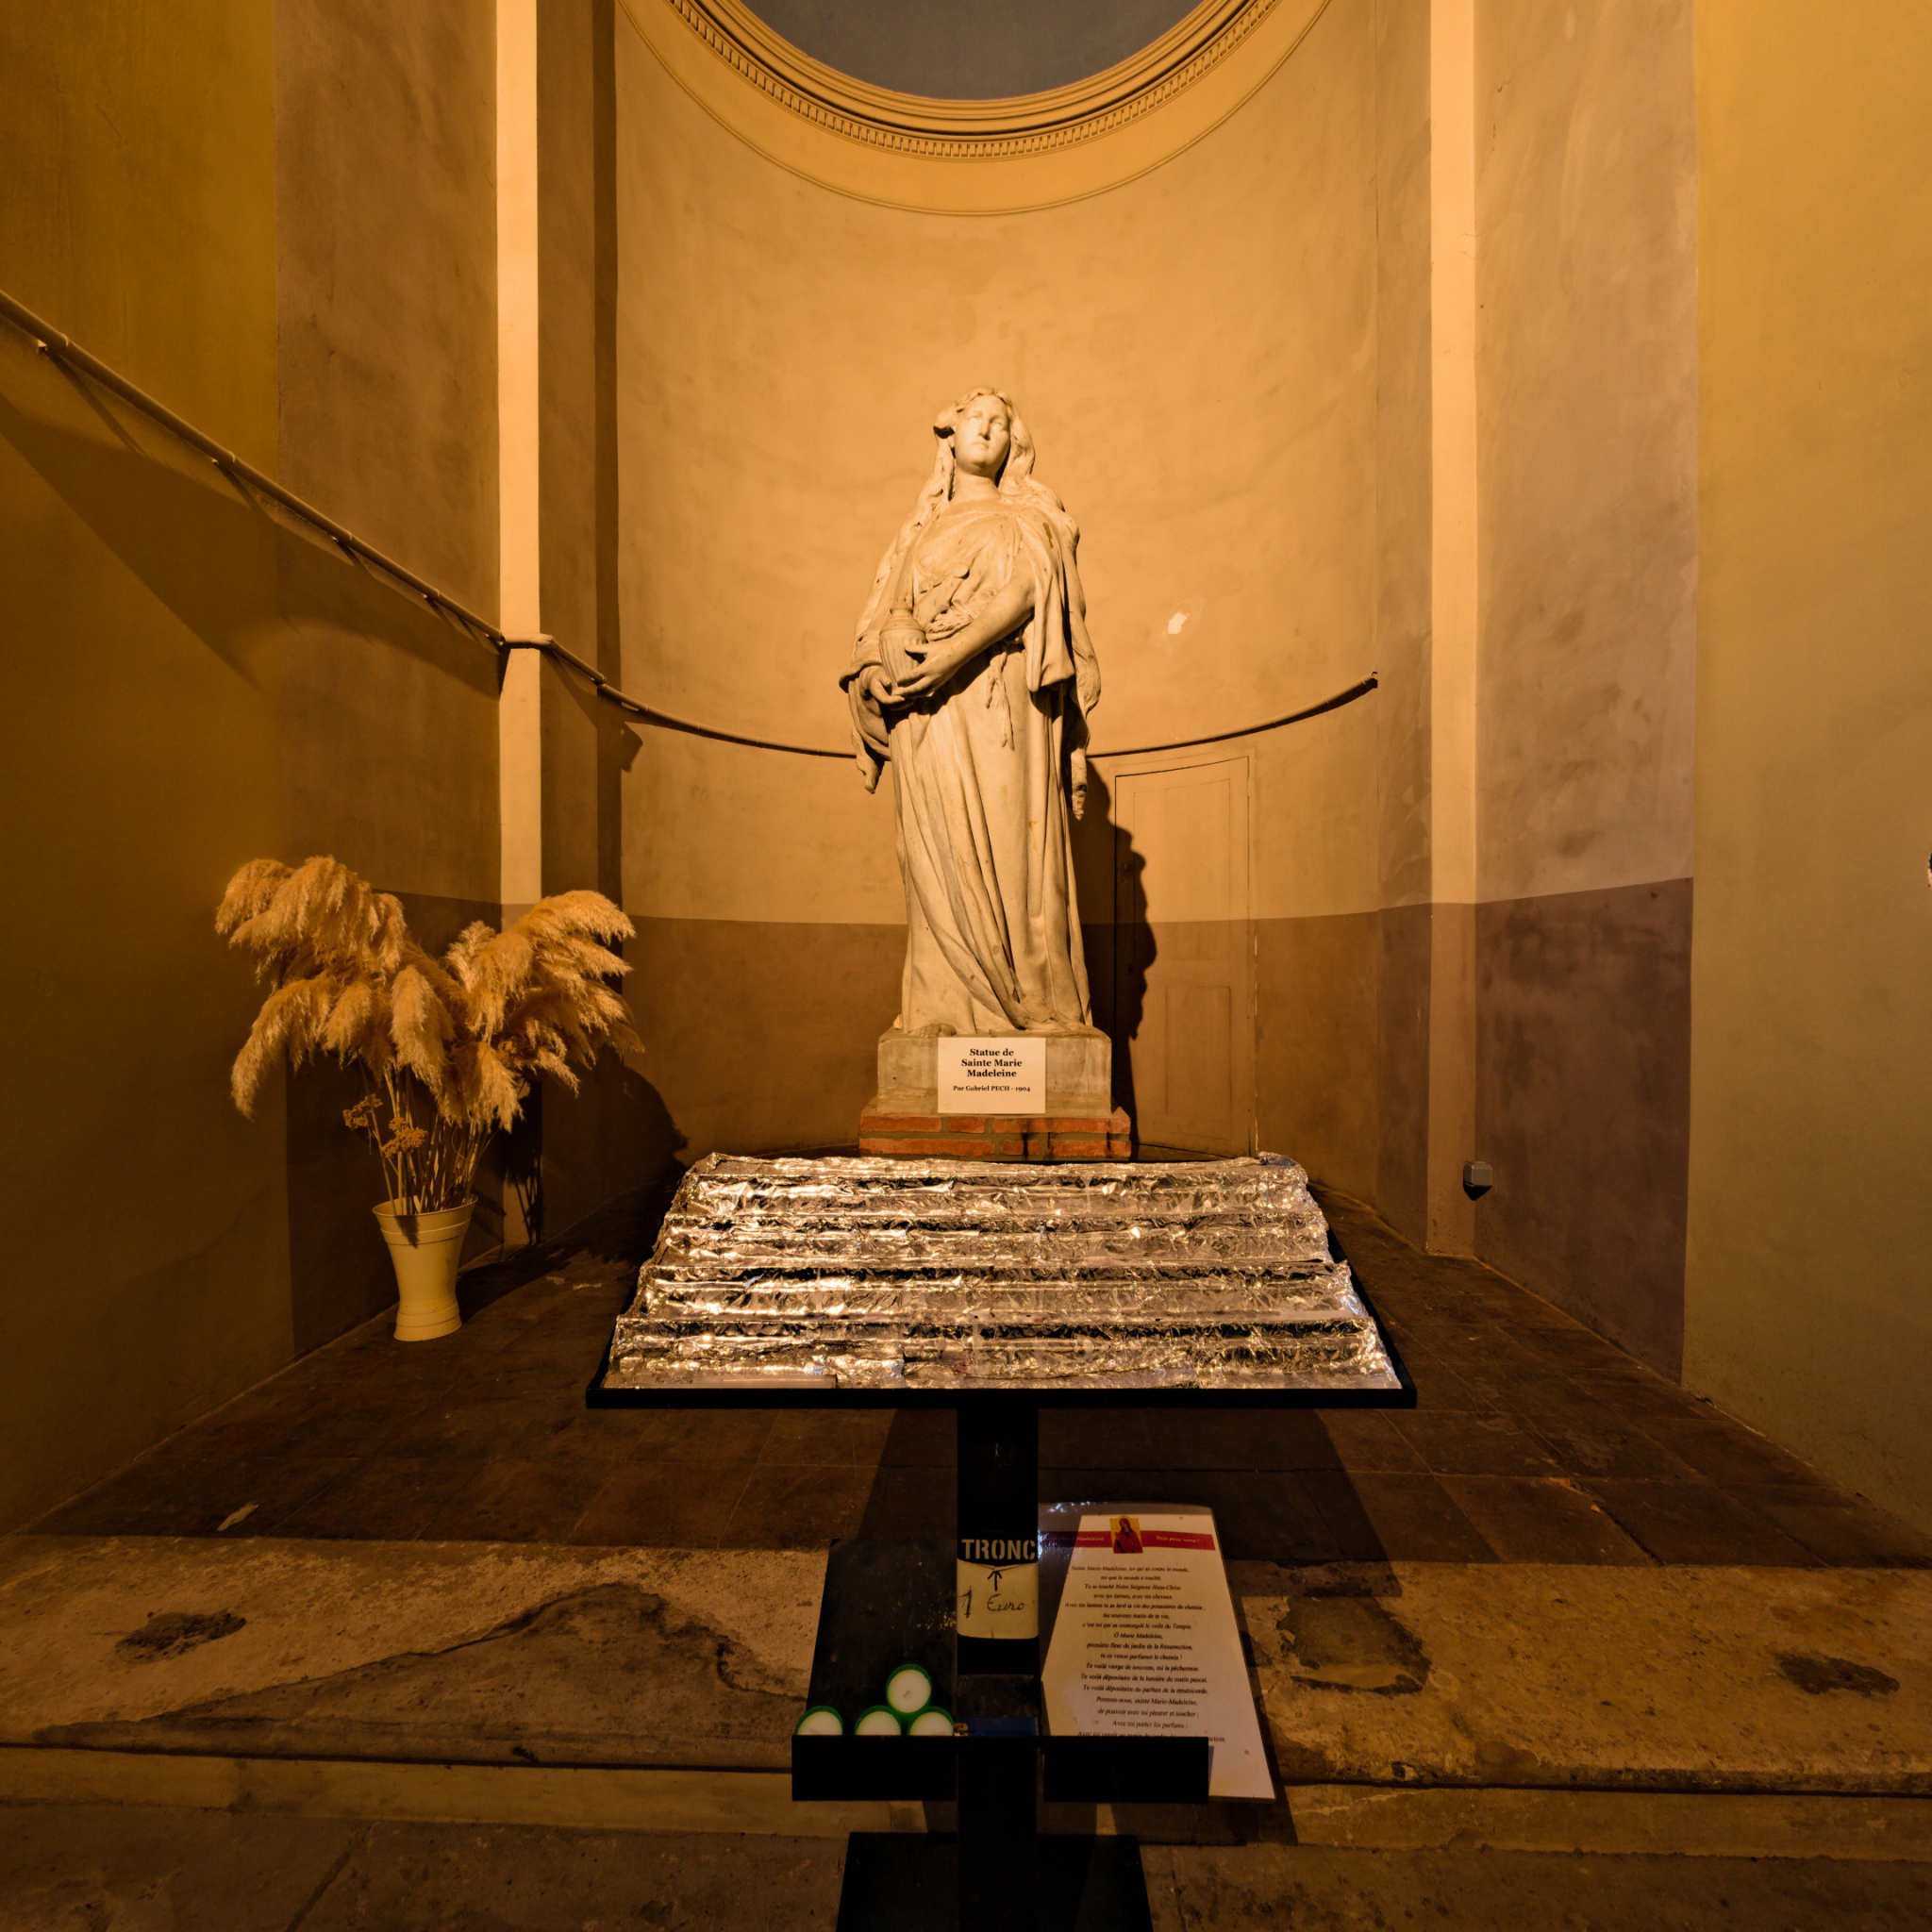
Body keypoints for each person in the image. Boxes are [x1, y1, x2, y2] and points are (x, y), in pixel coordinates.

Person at [842, 387, 1102, 1038]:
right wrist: (877, 671)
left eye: (999, 423)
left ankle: (1030, 1003)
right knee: (932, 864)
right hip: (925, 717)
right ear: (950, 437)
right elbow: (880, 620)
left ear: (1014, 444)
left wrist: (949, 655)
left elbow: (1031, 589)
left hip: (1001, 702)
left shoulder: (1029, 516)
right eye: (974, 418)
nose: (985, 430)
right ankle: (943, 1007)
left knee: (1015, 848)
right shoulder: (917, 531)